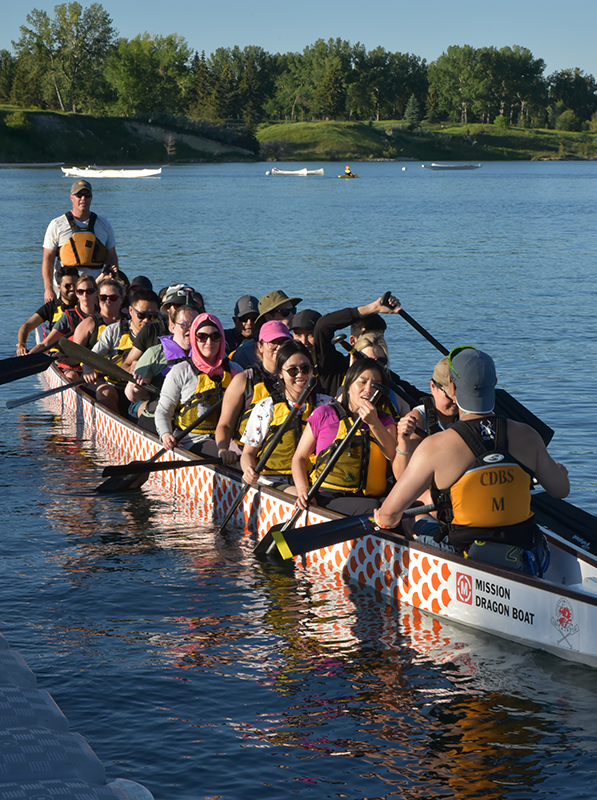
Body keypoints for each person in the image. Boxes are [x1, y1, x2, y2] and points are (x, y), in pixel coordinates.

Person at [373, 347, 570, 575]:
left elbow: (389, 516)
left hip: (466, 557)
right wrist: (560, 473)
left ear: (453, 389)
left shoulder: (435, 446)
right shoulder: (528, 435)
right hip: (524, 550)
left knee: (412, 514)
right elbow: (561, 490)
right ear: (494, 383)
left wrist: (381, 516)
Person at [292, 358, 397, 515]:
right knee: (374, 507)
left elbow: (392, 454)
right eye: (362, 382)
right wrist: (303, 490)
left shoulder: (384, 421)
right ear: (348, 386)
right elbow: (299, 458)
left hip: (372, 497)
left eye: (375, 384)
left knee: (397, 507)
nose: (368, 389)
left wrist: (374, 422)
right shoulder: (323, 414)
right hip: (329, 497)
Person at [240, 340, 329, 491]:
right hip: (273, 480)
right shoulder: (266, 407)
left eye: (305, 369)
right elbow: (248, 453)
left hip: (313, 480)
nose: (300, 375)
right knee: (301, 496)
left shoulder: (327, 405)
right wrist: (248, 470)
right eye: (293, 371)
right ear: (280, 373)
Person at [155, 313, 242, 455]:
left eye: (215, 336)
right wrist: (166, 434)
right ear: (194, 339)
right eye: (202, 337)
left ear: (221, 339)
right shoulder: (180, 371)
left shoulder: (236, 371)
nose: (209, 342)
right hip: (192, 440)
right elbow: (163, 410)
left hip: (229, 438)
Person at [313, 292, 419, 402]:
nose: (375, 342)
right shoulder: (333, 368)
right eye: (368, 337)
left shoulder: (385, 374)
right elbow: (323, 326)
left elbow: (420, 397)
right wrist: (374, 307)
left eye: (380, 338)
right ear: (352, 341)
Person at [214, 320, 293, 465]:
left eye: (284, 343)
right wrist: (223, 450)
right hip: (241, 457)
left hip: (279, 462)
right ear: (260, 347)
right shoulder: (243, 380)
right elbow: (225, 425)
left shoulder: (296, 380)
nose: (279, 348)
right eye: (273, 343)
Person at [82, 288, 160, 413]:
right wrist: (88, 370)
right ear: (131, 311)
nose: (146, 320)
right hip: (114, 386)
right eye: (141, 315)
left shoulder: (161, 334)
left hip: (142, 391)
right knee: (105, 393)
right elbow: (90, 358)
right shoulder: (113, 331)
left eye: (152, 316)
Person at [125, 303, 199, 431]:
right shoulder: (155, 354)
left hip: (194, 417)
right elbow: (133, 397)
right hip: (158, 414)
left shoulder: (207, 353)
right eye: (184, 325)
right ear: (173, 327)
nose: (190, 329)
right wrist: (134, 389)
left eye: (195, 325)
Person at [42, 180, 118, 302]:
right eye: (79, 195)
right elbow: (48, 259)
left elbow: (112, 258)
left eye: (87, 195)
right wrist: (48, 288)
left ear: (91, 197)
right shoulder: (57, 224)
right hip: (66, 290)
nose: (83, 199)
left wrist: (114, 284)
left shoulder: (104, 225)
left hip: (94, 288)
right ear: (71, 197)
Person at [392, 356, 459, 479]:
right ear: (433, 387)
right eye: (449, 396)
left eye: (460, 395)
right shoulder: (417, 419)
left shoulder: (471, 411)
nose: (455, 401)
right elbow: (401, 476)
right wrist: (403, 440)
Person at [28, 274, 101, 381]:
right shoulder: (69, 317)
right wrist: (28, 357)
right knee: (72, 376)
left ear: (96, 292)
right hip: (71, 366)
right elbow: (46, 344)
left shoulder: (104, 315)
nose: (85, 295)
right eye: (80, 291)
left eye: (89, 291)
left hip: (96, 366)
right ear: (76, 293)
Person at [16, 265, 79, 355]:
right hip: (56, 354)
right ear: (59, 288)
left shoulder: (84, 304)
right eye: (67, 286)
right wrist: (21, 344)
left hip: (79, 353)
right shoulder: (51, 307)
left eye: (75, 285)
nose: (72, 289)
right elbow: (26, 326)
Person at [232, 290, 302, 368]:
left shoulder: (297, 344)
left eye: (293, 310)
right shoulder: (245, 353)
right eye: (285, 312)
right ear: (268, 317)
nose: (292, 316)